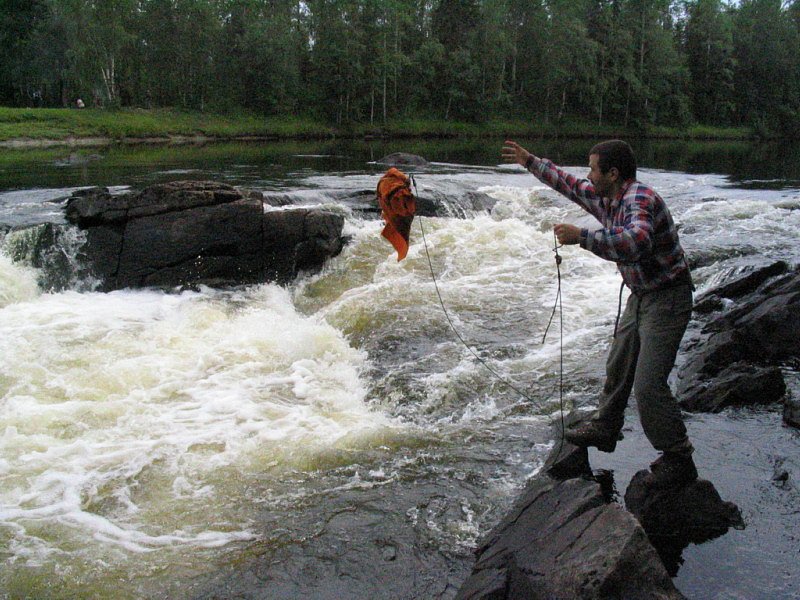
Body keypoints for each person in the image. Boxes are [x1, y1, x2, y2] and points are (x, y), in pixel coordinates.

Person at [501, 139, 697, 488]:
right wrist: (529, 161)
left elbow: (637, 242)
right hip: (642, 294)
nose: (587, 176)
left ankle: (678, 457)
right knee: (618, 363)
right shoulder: (605, 196)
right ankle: (606, 428)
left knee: (648, 384)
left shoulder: (640, 199)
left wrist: (583, 237)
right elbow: (568, 184)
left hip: (669, 297)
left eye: (593, 169)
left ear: (613, 173)